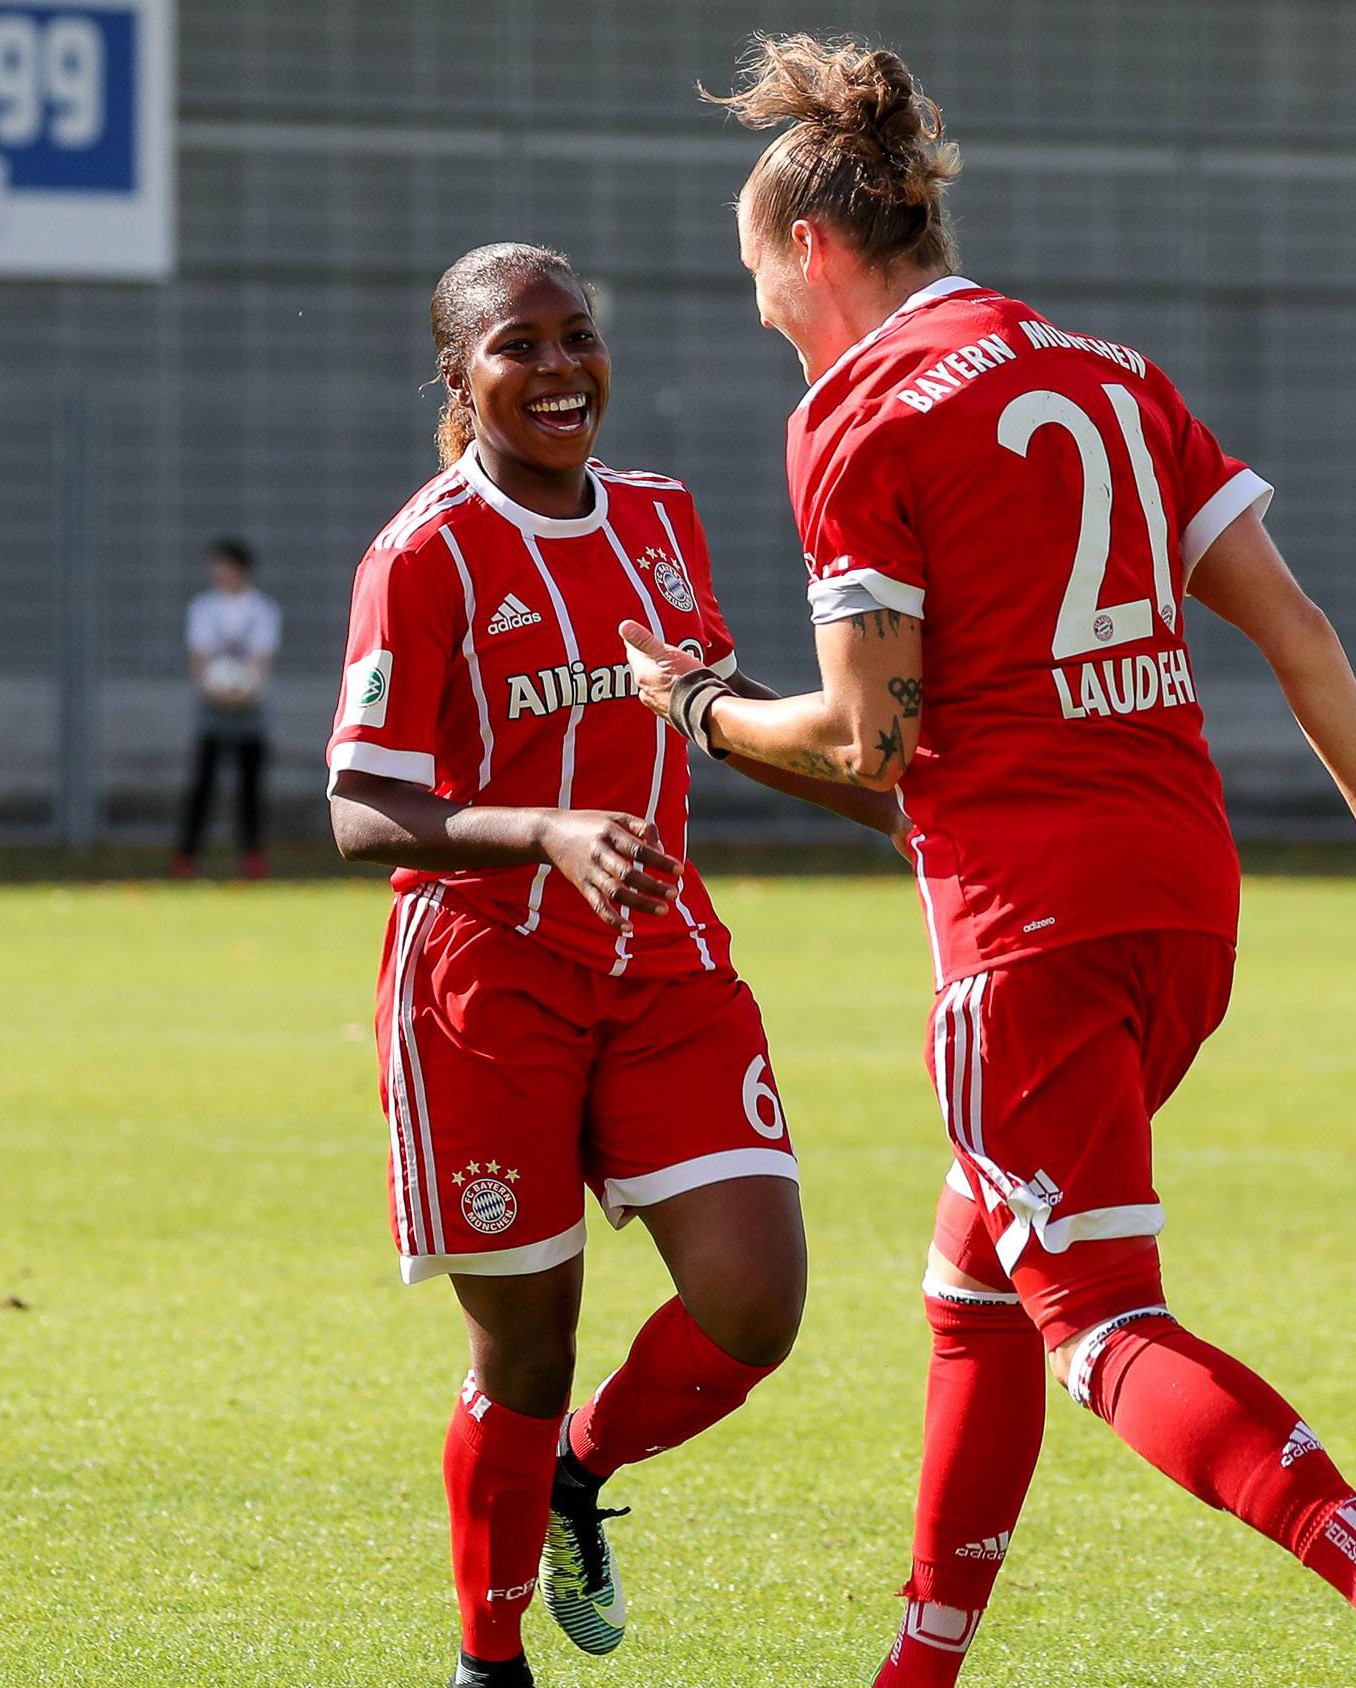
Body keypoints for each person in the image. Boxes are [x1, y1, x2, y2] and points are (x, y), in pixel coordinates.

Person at [621, 36, 1356, 1688]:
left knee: (1098, 1326)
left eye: (761, 282)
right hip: (1185, 899)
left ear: (812, 251)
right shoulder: (1112, 368)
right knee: (974, 1273)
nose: (765, 320)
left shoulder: (861, 413)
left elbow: (870, 742)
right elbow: (1293, 623)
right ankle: (919, 1666)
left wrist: (705, 708)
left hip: (1025, 931)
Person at [328, 241, 910, 1688]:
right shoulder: (422, 554)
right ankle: (490, 1659)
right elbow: (359, 806)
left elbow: (718, 708)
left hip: (662, 960)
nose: (558, 368)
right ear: (460, 379)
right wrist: (540, 831)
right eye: (516, 346)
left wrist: (895, 800)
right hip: (485, 982)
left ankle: (582, 1473)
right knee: (526, 1351)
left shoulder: (658, 518)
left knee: (754, 1303)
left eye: (575, 337)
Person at [172, 537, 281, 878]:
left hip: (249, 709)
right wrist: (214, 691)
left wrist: (246, 691)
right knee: (203, 783)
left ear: (239, 569)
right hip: (212, 708)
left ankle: (252, 857)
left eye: (223, 565)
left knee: (250, 786)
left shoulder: (262, 610)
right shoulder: (204, 608)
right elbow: (199, 659)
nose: (217, 572)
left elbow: (263, 661)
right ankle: (186, 857)